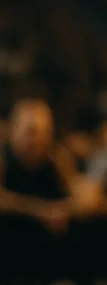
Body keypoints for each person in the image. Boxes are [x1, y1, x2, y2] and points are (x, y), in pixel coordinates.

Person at [0, 98, 76, 234]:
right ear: (13, 130)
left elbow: (80, 195)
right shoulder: (3, 158)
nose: (39, 140)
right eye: (31, 132)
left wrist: (63, 209)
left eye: (45, 132)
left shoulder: (57, 157)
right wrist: (39, 211)